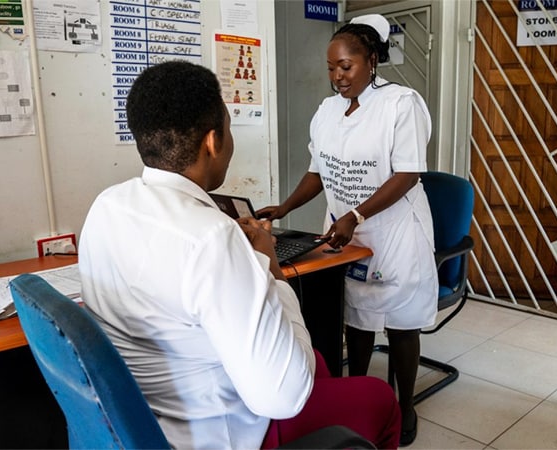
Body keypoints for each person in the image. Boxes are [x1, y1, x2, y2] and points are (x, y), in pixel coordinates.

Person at [78, 61, 401, 449]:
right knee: (379, 398)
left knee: (318, 359)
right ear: (213, 141)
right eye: (229, 131)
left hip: (145, 415)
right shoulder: (212, 236)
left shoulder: (107, 204)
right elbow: (284, 397)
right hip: (219, 429)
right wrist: (270, 269)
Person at [257, 14, 438, 447]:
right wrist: (284, 206)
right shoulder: (327, 112)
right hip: (345, 233)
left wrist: (355, 215)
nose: (338, 77)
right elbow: (319, 172)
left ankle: (405, 403)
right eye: (332, 68)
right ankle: (359, 394)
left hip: (394, 233)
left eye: (347, 67)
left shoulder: (400, 104)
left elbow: (408, 173)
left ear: (371, 61)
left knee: (399, 323)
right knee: (354, 316)